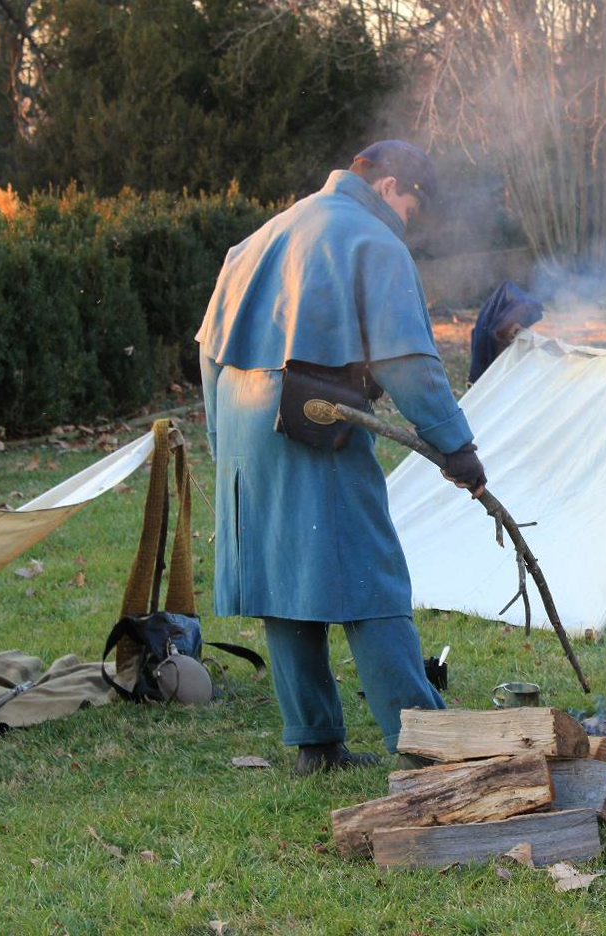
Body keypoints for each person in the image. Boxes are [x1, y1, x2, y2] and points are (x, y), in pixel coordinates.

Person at [196, 141, 487, 773]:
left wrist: (224, 444)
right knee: (370, 577)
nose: (410, 220)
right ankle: (424, 744)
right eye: (413, 204)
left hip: (241, 417)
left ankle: (315, 744)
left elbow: (209, 347)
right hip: (311, 422)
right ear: (389, 188)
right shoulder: (373, 241)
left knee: (283, 582)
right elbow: (406, 360)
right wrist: (455, 444)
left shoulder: (266, 232)